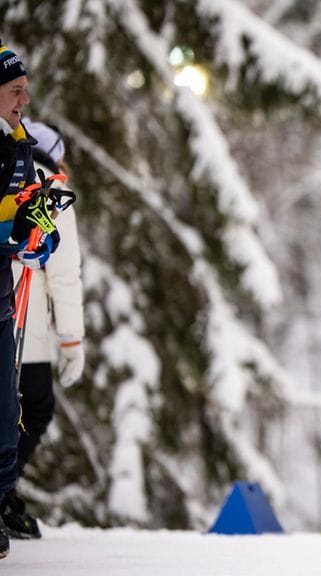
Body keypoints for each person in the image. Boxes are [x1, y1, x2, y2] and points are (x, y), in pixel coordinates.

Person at [2, 119, 84, 539]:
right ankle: (3, 495)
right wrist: (72, 338)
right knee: (33, 408)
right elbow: (64, 269)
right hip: (24, 323)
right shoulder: (48, 183)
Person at [0, 40, 61, 559]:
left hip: (6, 302)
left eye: (25, 90)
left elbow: (24, 223)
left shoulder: (20, 145)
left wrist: (39, 228)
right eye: (16, 90)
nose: (24, 100)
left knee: (9, 421)